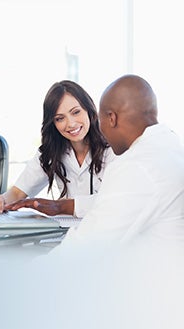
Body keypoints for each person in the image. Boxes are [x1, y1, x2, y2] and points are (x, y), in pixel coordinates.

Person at [62, 74, 184, 246]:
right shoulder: (171, 146)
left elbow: (86, 246)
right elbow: (119, 200)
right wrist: (65, 206)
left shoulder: (136, 165)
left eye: (100, 120)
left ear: (112, 118)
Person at [0, 80, 115, 217]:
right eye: (60, 118)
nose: (70, 124)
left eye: (76, 112)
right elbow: (18, 192)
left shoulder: (113, 148)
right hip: (69, 232)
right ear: (53, 123)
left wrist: (59, 206)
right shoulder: (51, 152)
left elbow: (115, 201)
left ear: (89, 109)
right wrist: (0, 201)